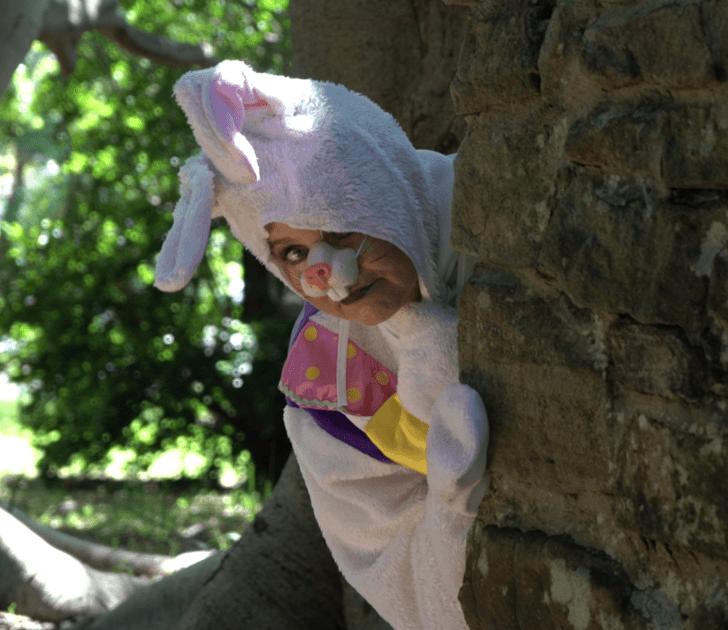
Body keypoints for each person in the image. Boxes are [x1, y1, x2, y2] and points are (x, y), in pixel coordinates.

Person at [152, 60, 489, 630]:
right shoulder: (328, 389)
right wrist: (456, 510)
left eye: (339, 231)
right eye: (292, 253)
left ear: (387, 188)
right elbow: (402, 583)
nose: (332, 275)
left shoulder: (504, 207)